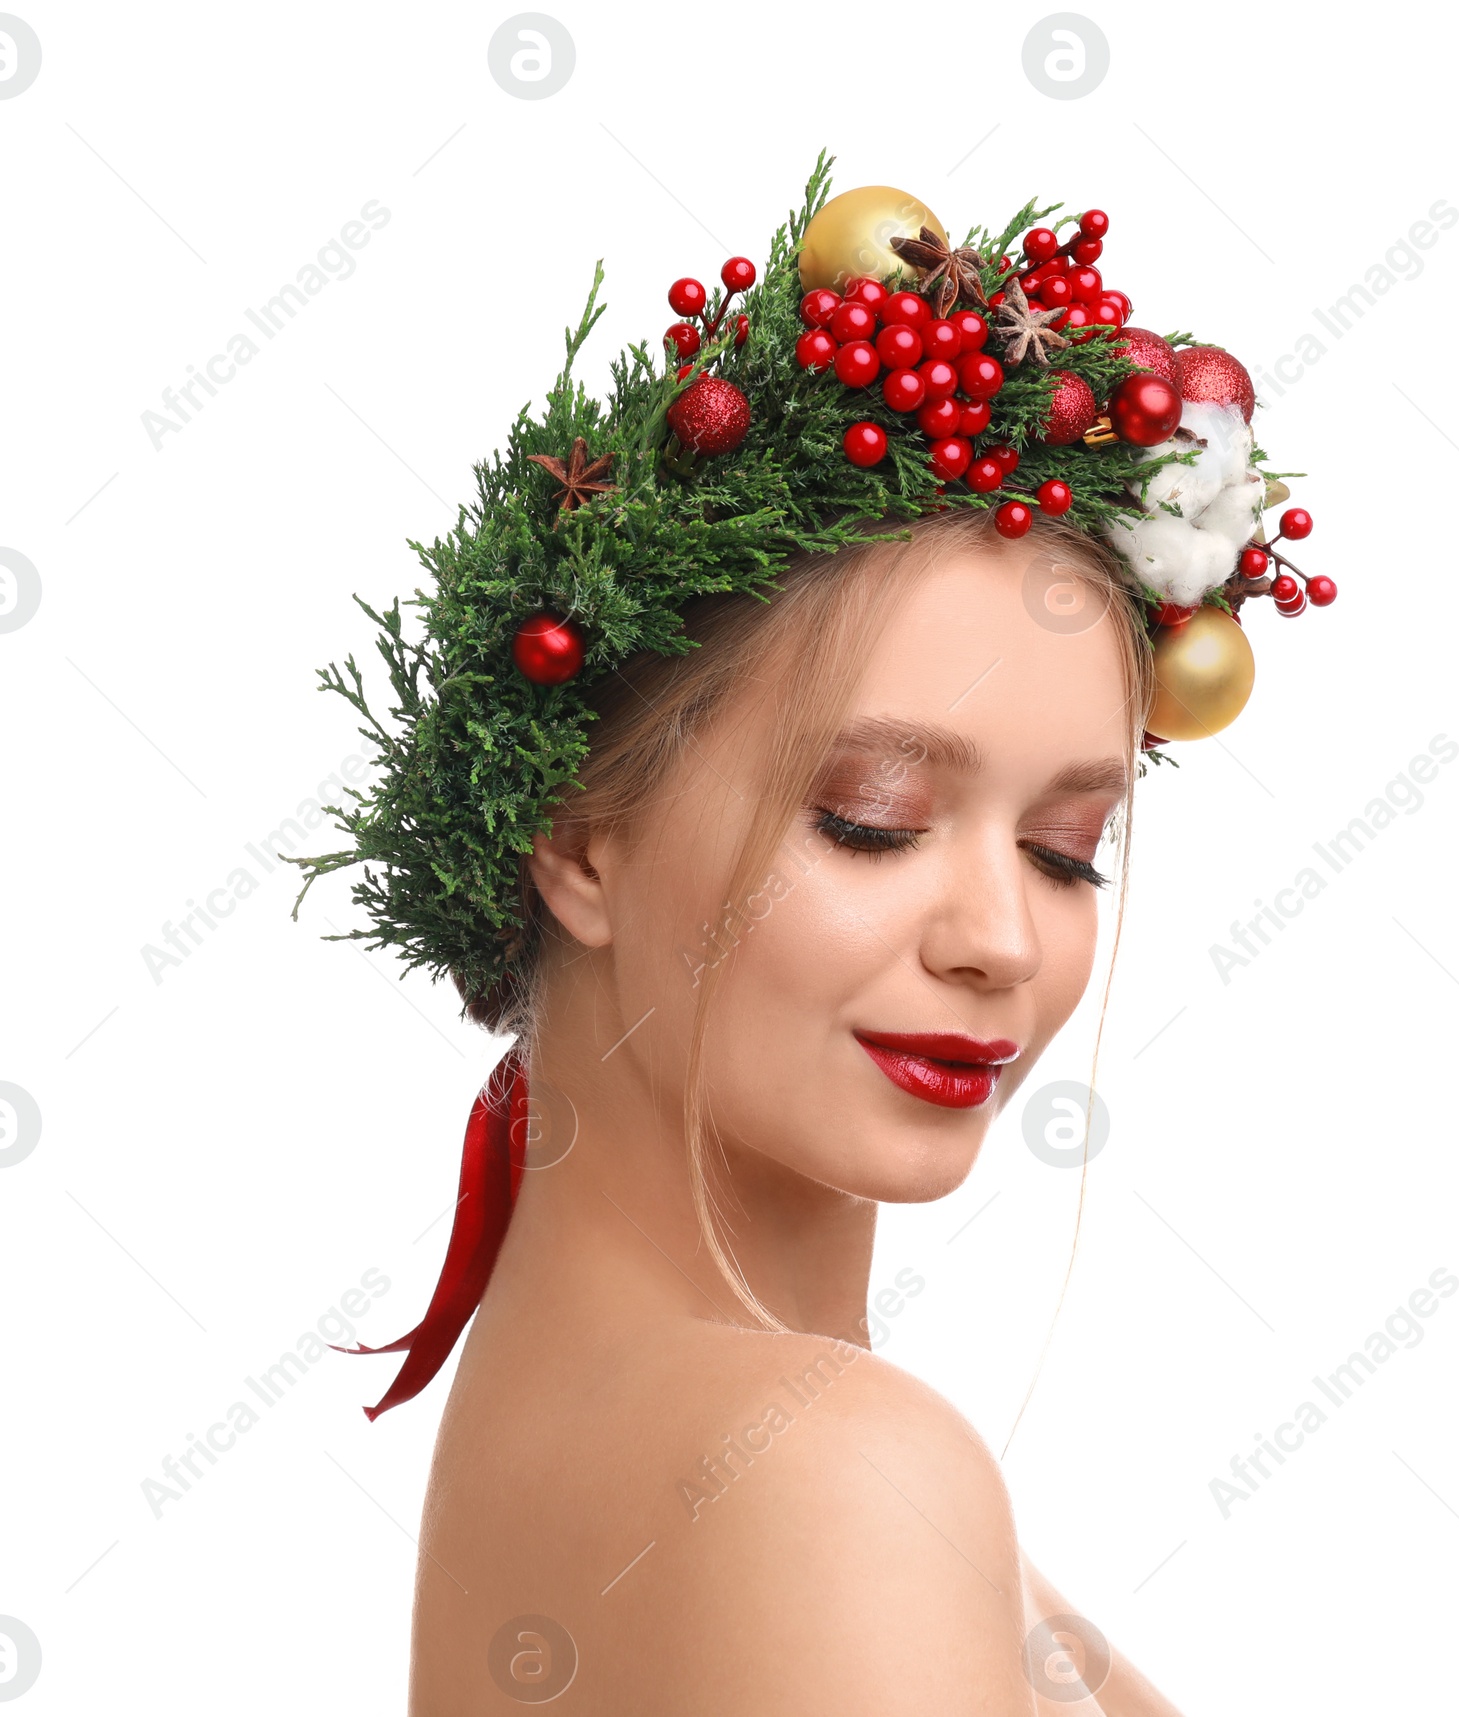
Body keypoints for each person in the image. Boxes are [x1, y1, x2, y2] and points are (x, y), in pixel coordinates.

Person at [293, 155, 1324, 1712]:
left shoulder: (589, 1424)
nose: (1000, 940)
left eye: (1066, 848)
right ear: (577, 839)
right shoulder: (825, 1479)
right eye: (872, 819)